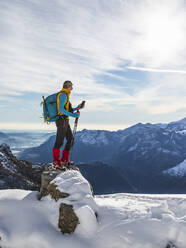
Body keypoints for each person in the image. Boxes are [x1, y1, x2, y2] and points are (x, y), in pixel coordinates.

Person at [52, 80, 83, 168]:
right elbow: (61, 110)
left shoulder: (65, 95)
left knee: (70, 139)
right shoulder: (63, 95)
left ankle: (64, 159)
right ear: (68, 86)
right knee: (59, 141)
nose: (72, 88)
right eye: (71, 87)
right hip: (62, 121)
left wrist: (77, 108)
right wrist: (74, 115)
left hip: (65, 121)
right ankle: (56, 162)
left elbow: (67, 110)